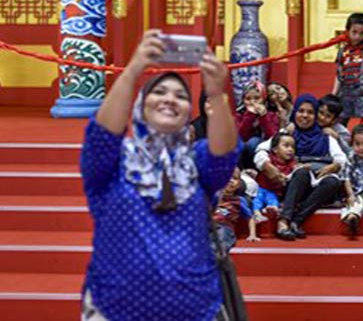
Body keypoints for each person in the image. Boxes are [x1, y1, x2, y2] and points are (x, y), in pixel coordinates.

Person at [79, 29, 241, 321]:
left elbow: (224, 154)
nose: (170, 99)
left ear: (188, 111)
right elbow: (102, 135)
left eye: (180, 95)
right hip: (114, 309)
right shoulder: (112, 165)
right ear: (140, 104)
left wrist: (217, 93)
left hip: (195, 309)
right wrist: (133, 70)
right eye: (159, 91)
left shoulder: (196, 163)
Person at [254, 94, 347, 241]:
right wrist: (267, 165)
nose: (305, 116)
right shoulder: (287, 133)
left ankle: (297, 221)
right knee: (302, 172)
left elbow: (342, 159)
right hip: (292, 183)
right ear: (295, 112)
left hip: (316, 186)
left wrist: (334, 166)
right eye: (301, 111)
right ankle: (283, 221)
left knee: (332, 182)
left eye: (310, 112)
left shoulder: (325, 137)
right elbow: (261, 149)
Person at [333, 12, 363, 125]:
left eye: (362, 33)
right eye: (354, 32)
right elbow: (339, 74)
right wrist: (334, 93)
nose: (357, 36)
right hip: (345, 89)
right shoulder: (343, 50)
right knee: (341, 120)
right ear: (347, 30)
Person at [236, 80, 280, 169]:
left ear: (263, 98)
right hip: (244, 150)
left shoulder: (271, 114)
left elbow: (273, 136)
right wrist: (250, 116)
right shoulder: (239, 114)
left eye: (256, 98)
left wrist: (264, 116)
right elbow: (240, 135)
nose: (252, 102)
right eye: (248, 99)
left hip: (265, 148)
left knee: (253, 142)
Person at [239, 168, 279, 243]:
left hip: (257, 189)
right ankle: (257, 213)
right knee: (257, 199)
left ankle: (273, 206)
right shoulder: (241, 199)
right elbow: (249, 217)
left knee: (270, 194)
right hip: (247, 194)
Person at [213, 168, 244, 253]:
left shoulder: (239, 200)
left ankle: (217, 255)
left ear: (239, 184)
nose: (230, 181)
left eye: (234, 178)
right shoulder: (212, 197)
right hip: (209, 225)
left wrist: (253, 234)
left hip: (225, 226)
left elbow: (250, 217)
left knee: (221, 235)